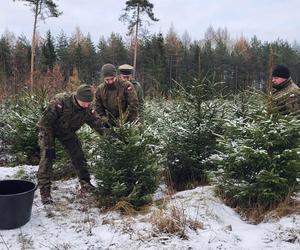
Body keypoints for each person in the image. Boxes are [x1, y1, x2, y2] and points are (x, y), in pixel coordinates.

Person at [37, 84, 104, 205]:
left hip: (67, 133)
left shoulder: (88, 108)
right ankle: (45, 191)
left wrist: (110, 136)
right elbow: (44, 123)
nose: (87, 105)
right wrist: (49, 145)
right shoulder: (60, 101)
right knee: (47, 157)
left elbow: (97, 124)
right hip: (49, 131)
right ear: (77, 97)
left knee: (78, 155)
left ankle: (85, 183)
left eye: (89, 102)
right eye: (84, 102)